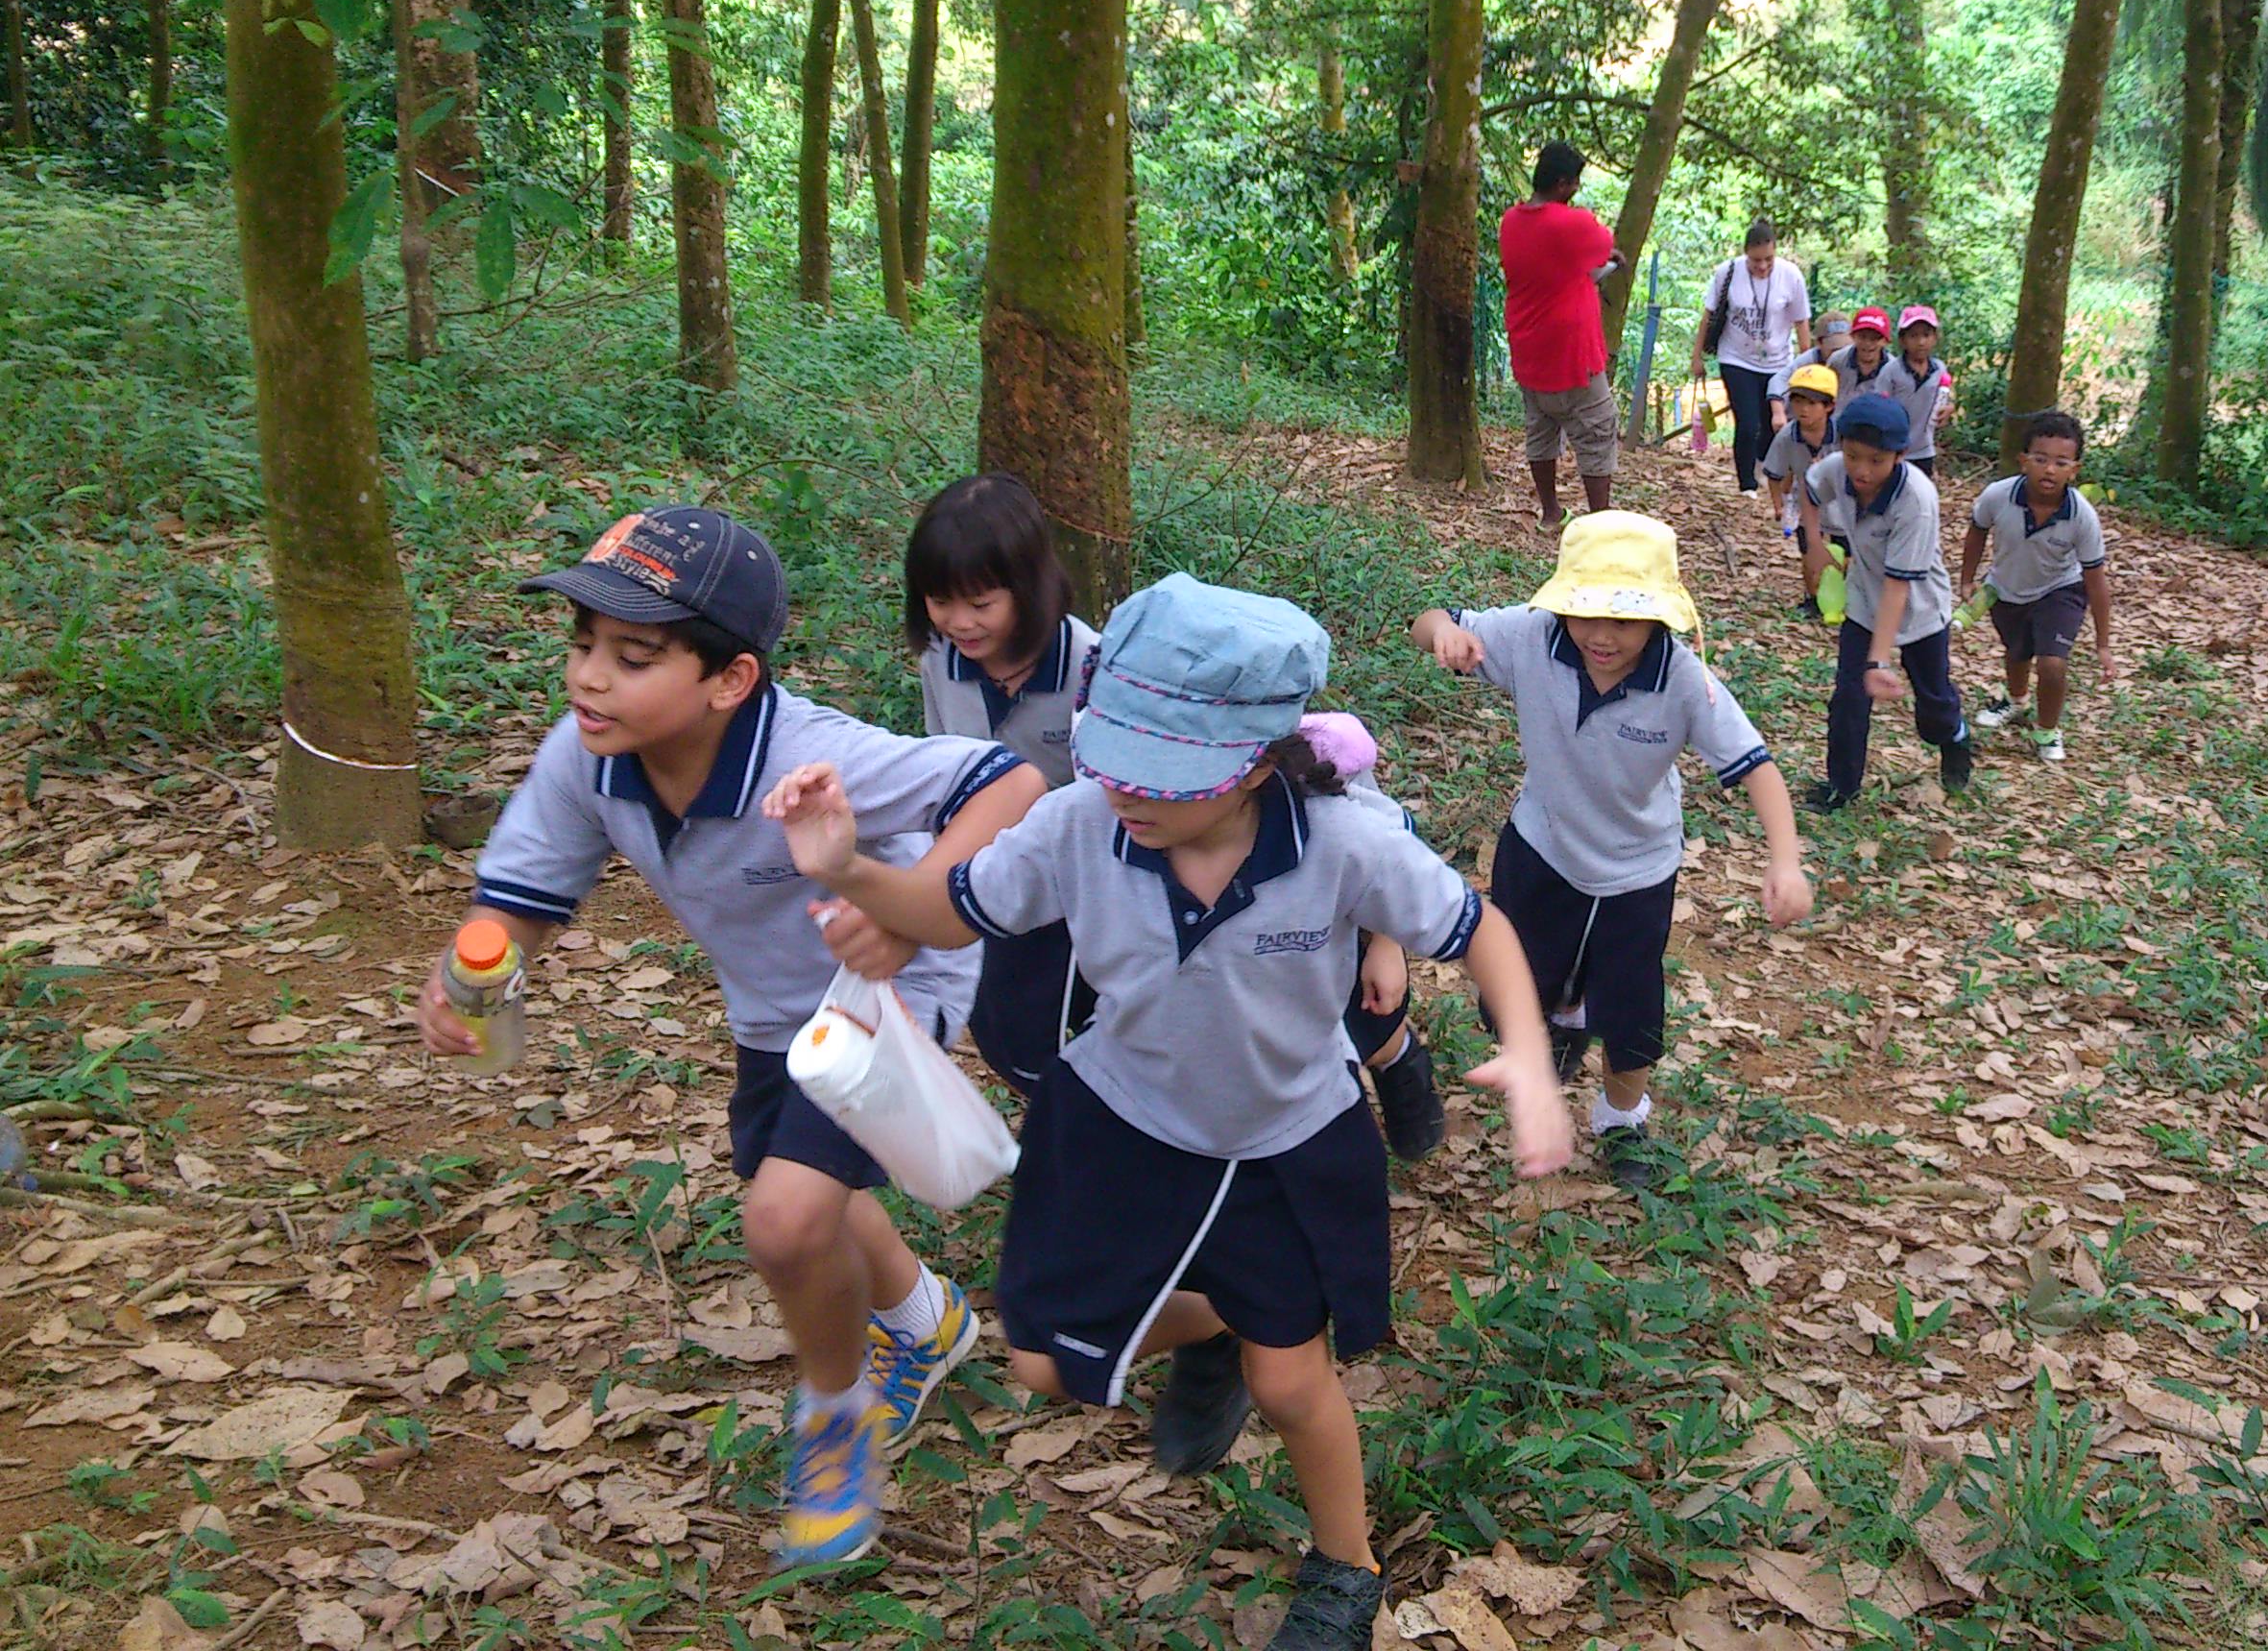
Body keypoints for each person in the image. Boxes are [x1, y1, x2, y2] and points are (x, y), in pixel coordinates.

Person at [766, 574, 1574, 1651]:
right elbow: (950, 916)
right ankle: (1219, 1320)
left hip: (1287, 1137)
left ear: (1250, 764)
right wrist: (851, 868)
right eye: (1113, 762)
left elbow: (1484, 934)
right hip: (1123, 1127)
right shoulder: (1078, 826)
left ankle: (1346, 1567)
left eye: (1158, 774)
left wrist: (1528, 1056)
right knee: (1045, 1362)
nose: (1127, 793)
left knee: (1294, 1387)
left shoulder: (1343, 842)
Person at [419, 506, 1050, 1569]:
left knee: (785, 1220)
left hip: (883, 992)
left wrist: (908, 906)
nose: (589, 679)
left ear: (731, 680)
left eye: (632, 656)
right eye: (581, 645)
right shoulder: (588, 760)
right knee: (823, 1203)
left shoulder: (809, 758)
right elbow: (523, 893)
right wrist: (476, 965)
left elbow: (1009, 782)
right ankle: (926, 1320)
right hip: (770, 1013)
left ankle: (834, 1420)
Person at [905, 476, 1447, 1161]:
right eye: (940, 602)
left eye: (980, 602)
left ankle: (1393, 1058)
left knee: (1277, 982)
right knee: (1024, 1021)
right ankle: (1090, 1126)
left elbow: (1349, 813)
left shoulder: (1110, 672)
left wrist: (1385, 941)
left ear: (1033, 587)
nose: (960, 622)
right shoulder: (941, 663)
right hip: (1044, 873)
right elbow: (946, 769)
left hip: (1155, 868)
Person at [1410, 513, 1807, 1188]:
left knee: (1630, 1010)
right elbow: (1431, 618)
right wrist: (1445, 632)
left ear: (1661, 619)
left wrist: (1785, 859)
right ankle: (1561, 1024)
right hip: (1542, 849)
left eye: (1625, 619)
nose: (1601, 635)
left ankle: (1623, 1119)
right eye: (1584, 612)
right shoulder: (1532, 638)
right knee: (1519, 984)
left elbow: (1755, 767)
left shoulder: (1684, 680)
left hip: (1636, 871)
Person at [1798, 394, 1971, 810]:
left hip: (1920, 609)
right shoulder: (1836, 471)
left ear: (1900, 455)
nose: (1861, 470)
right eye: (1853, 456)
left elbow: (1899, 586)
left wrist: (1880, 661)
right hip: (1862, 599)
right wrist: (1814, 544)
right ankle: (1842, 787)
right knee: (1848, 699)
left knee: (1933, 705)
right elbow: (1808, 490)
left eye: (1876, 461)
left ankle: (1956, 736)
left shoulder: (1918, 500)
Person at [1958, 410, 2115, 765]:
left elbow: (2096, 579)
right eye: (2041, 459)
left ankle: (2047, 730)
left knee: (2052, 662)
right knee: (2016, 652)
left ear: (2074, 469)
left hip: (2060, 589)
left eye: (2061, 462)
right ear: (2023, 460)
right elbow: (1977, 531)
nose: (2049, 470)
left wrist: (2103, 644)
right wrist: (1967, 579)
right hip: (2007, 586)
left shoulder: (2081, 515)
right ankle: (2015, 701)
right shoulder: (1998, 495)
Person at [1497, 141, 1623, 526]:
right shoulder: (1573, 222)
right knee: (1598, 431)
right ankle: (1599, 522)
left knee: (1541, 432)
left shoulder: (1511, 221)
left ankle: (1551, 512)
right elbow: (1606, 245)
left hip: (1529, 348)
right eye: (1576, 183)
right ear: (1564, 183)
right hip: (1571, 353)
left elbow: (1557, 271)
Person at [1693, 220, 1812, 498]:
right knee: (1747, 423)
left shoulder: (1790, 276)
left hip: (1778, 361)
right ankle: (1746, 482)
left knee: (1772, 422)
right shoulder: (1728, 272)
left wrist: (1805, 365)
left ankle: (1765, 467)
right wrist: (1696, 356)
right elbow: (1709, 316)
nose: (1762, 266)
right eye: (1756, 260)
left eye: (1768, 259)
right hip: (1736, 358)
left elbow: (1801, 322)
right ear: (1745, 253)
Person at [1762, 365, 1843, 615]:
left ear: (1829, 406)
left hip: (1841, 504)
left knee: (1846, 552)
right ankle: (1812, 598)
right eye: (1797, 401)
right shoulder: (1788, 436)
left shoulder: (1842, 434)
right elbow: (1774, 473)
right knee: (1808, 551)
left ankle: (1846, 596)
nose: (1803, 409)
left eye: (1812, 403)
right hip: (1805, 503)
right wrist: (1779, 505)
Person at [1875, 306, 1958, 473]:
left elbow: (1947, 395)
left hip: (1924, 449)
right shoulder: (1891, 371)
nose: (1921, 342)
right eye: (1913, 336)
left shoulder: (1939, 369)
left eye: (1926, 335)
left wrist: (1949, 408)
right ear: (1903, 340)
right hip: (1893, 448)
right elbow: (1879, 407)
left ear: (1935, 338)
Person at [1778, 306, 1894, 409]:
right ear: (1853, 336)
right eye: (1862, 337)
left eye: (1875, 338)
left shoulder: (1892, 370)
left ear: (1885, 341)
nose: (1868, 343)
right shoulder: (1837, 360)